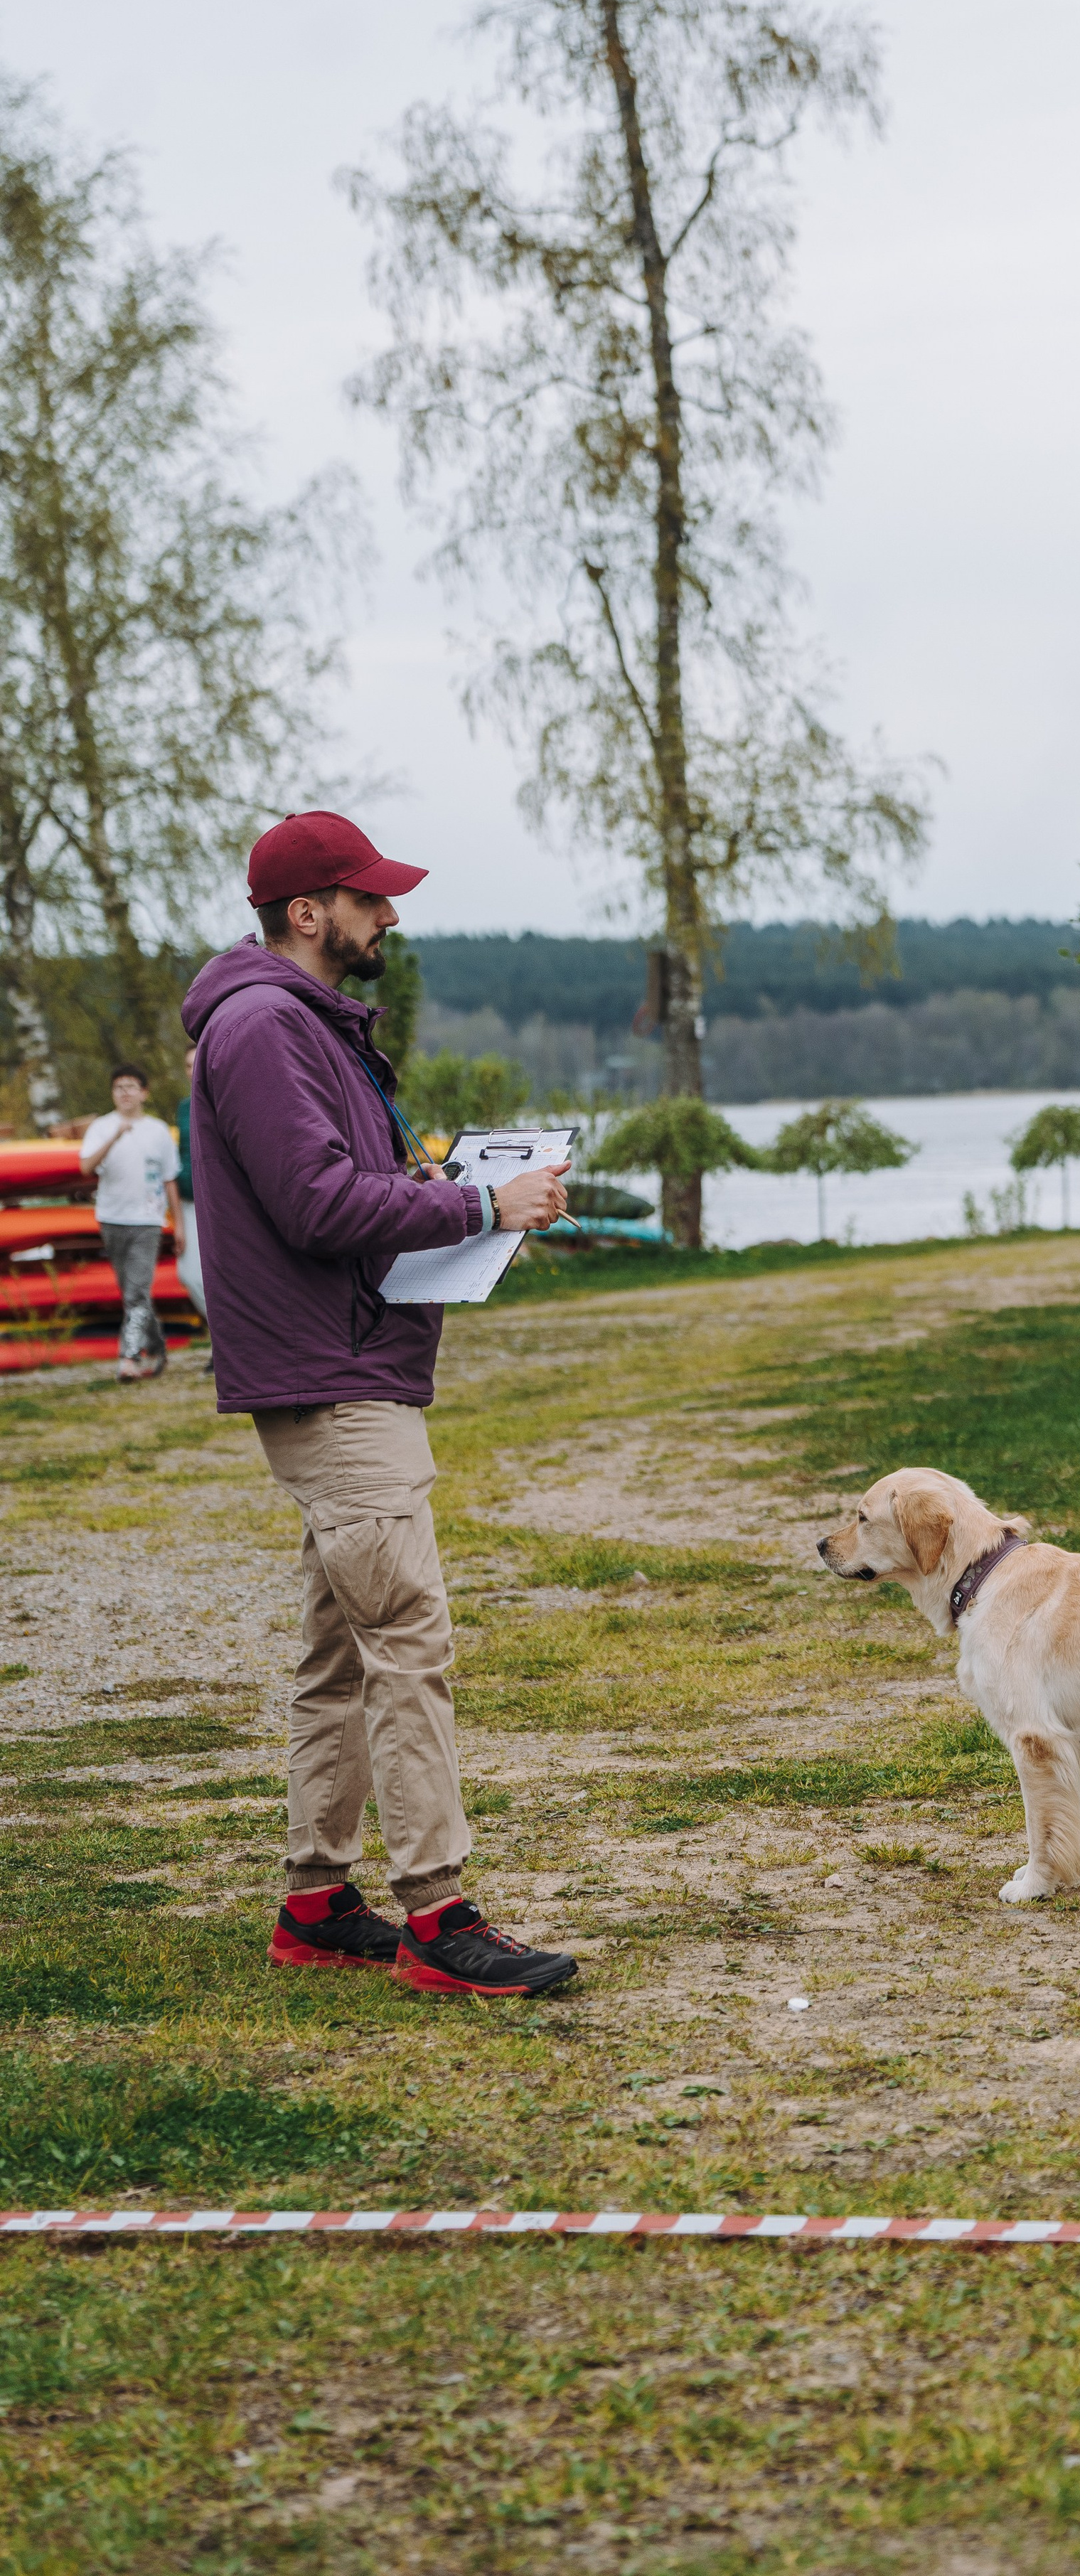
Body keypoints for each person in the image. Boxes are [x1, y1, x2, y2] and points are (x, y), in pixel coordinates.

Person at [181, 808, 579, 1998]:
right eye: (370, 897)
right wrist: (478, 1206)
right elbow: (315, 1206)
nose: (390, 915)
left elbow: (336, 1185)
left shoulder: (304, 1025)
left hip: (344, 1360)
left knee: (340, 1653)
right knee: (407, 1638)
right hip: (332, 1373)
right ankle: (439, 1916)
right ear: (308, 912)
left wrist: (432, 1186)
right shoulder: (264, 1026)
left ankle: (316, 1902)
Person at [80, 1066, 180, 1384]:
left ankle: (130, 1357)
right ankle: (157, 1346)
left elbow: (170, 1180)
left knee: (136, 1291)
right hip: (112, 1218)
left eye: (131, 1086)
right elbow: (86, 1167)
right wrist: (115, 1136)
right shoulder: (102, 1127)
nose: (125, 1092)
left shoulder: (158, 1131)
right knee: (132, 1292)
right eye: (119, 1087)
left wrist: (178, 1225)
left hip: (147, 1221)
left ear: (144, 1093)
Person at [173, 1043, 208, 1339]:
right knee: (189, 1273)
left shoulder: (225, 1098)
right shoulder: (183, 1109)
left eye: (198, 1062)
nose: (193, 1070)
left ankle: (233, 1344)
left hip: (221, 1203)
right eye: (188, 1065)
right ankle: (223, 1336)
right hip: (189, 1202)